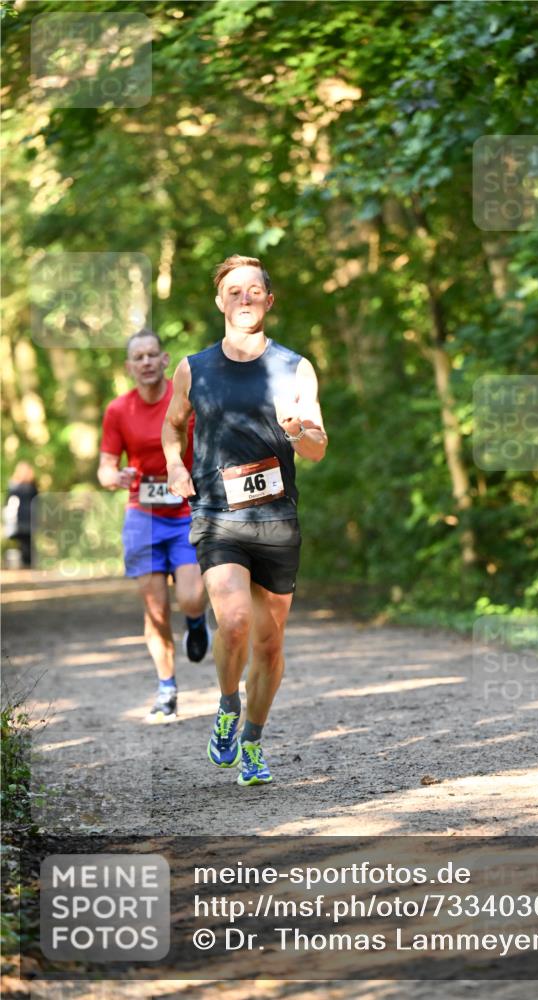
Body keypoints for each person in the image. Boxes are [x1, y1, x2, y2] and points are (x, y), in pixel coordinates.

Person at [162, 254, 327, 786]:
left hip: (277, 518)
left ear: (268, 300)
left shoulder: (295, 368)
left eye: (254, 290)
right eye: (234, 291)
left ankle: (253, 742)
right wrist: (174, 463)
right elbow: (172, 426)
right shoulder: (194, 367)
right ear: (220, 301)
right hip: (217, 514)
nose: (245, 298)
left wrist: (299, 430)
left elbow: (318, 448)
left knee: (270, 643)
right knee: (231, 621)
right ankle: (228, 706)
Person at [98, 328, 211, 723]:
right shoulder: (118, 410)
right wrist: (115, 477)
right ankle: (167, 689)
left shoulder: (185, 401)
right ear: (130, 367)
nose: (146, 362)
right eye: (138, 358)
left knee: (193, 596)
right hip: (142, 516)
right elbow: (105, 468)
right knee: (156, 611)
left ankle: (196, 623)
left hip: (187, 512)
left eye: (152, 355)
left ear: (164, 361)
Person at [4, 461, 38, 568]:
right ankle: (26, 564)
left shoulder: (31, 487)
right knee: (24, 542)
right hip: (20, 518)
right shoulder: (15, 487)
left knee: (27, 542)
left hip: (29, 518)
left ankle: (28, 564)